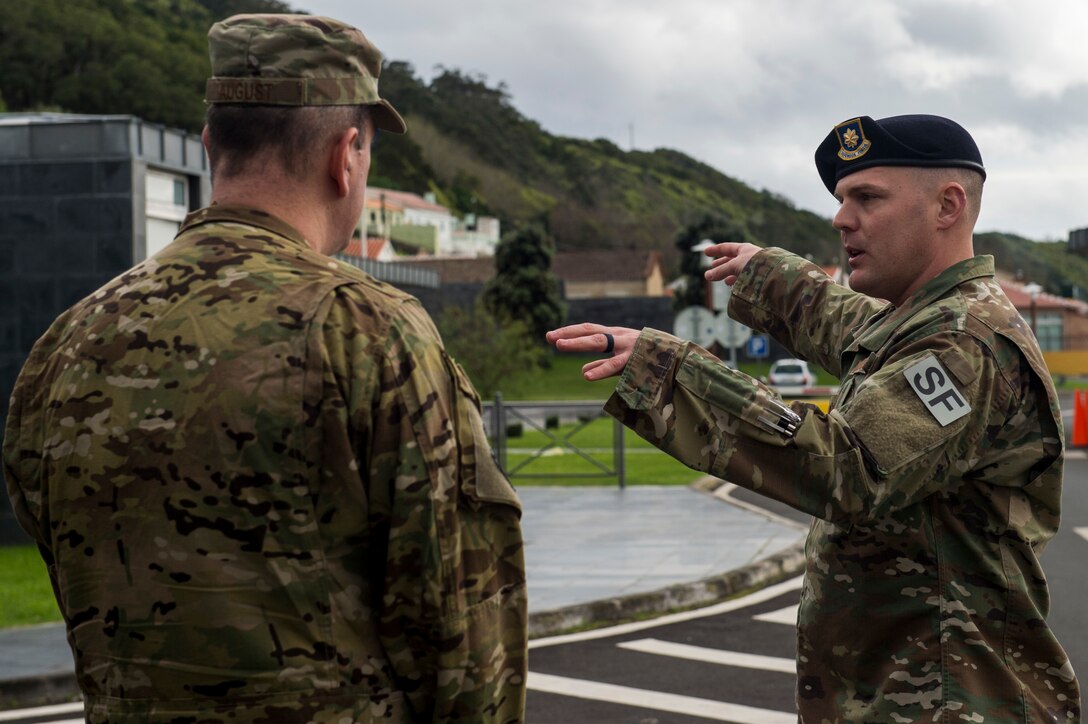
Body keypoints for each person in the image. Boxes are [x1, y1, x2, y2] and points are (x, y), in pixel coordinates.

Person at [2, 14, 526, 723]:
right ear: (346, 156)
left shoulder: (65, 344)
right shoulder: (370, 330)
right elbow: (466, 645)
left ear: (211, 144)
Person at [548, 114, 1081, 721]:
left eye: (867, 198)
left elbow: (847, 466)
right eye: (840, 200)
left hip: (954, 703)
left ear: (947, 206)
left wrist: (672, 372)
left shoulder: (967, 341)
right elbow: (855, 329)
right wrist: (772, 278)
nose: (840, 218)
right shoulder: (923, 320)